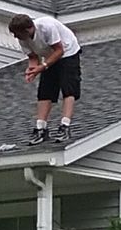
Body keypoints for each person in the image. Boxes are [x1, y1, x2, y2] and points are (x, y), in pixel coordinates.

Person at [8, 12, 81, 144]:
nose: (15, 36)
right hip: (49, 55)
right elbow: (33, 57)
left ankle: (65, 126)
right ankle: (41, 128)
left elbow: (59, 50)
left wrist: (44, 66)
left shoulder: (47, 27)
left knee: (68, 88)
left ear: (27, 30)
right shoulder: (22, 38)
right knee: (45, 91)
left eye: (17, 33)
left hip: (68, 51)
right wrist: (32, 70)